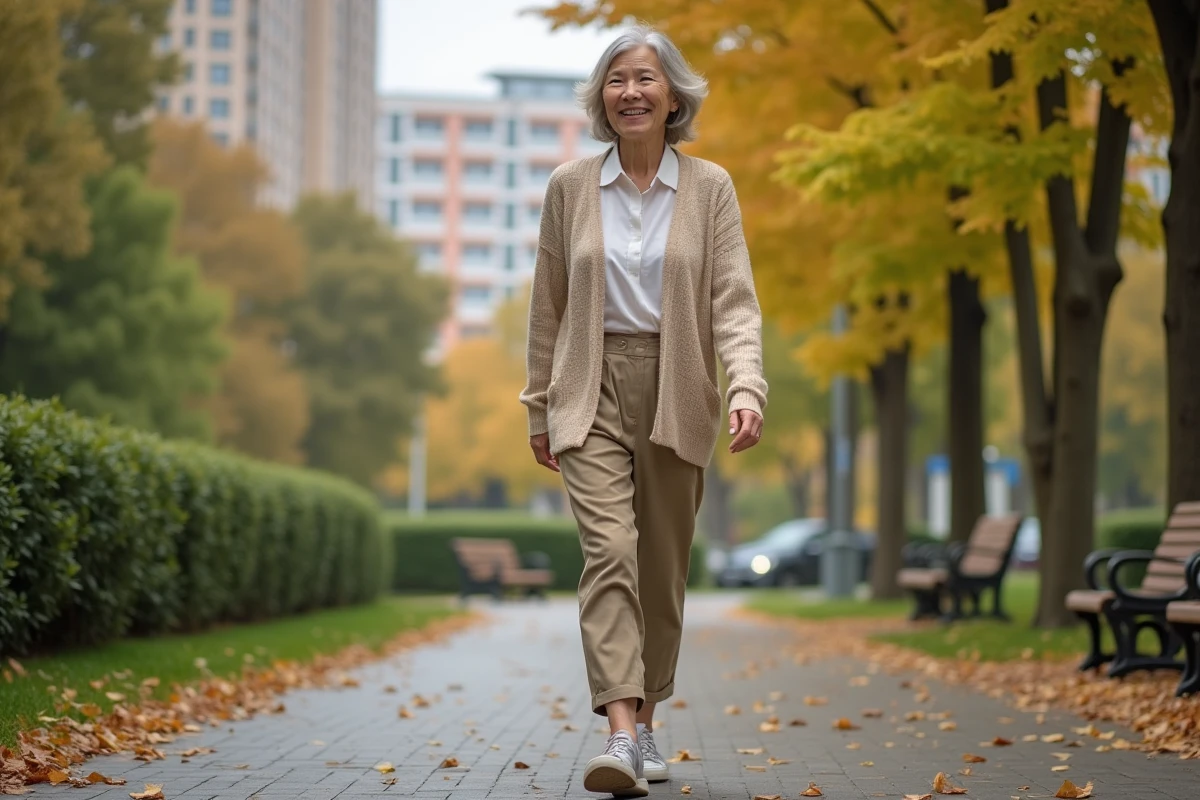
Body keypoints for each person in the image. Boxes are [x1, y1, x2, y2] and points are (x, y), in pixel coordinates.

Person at [519, 23, 767, 798]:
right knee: (610, 554)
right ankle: (620, 736)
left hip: (676, 384)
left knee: (661, 570)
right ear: (603, 96)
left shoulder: (711, 189)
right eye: (617, 78)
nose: (631, 91)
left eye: (646, 78)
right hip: (588, 387)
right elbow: (547, 309)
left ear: (672, 96)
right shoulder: (570, 187)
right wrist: (537, 406)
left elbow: (734, 301)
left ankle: (648, 718)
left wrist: (747, 385)